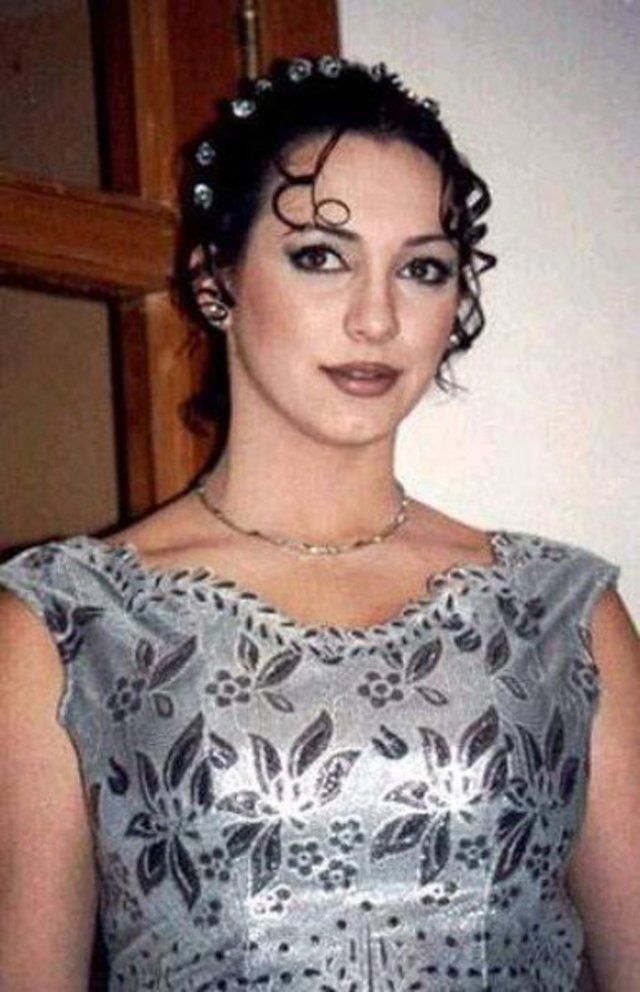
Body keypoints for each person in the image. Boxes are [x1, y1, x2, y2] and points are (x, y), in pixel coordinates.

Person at [0, 55, 638, 992]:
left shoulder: (562, 615)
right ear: (216, 280)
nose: (376, 317)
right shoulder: (69, 622)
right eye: (320, 256)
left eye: (422, 269)